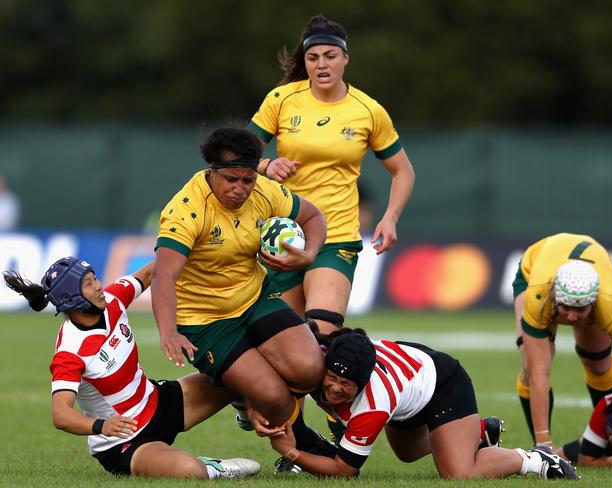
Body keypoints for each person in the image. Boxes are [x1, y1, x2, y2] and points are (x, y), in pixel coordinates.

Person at [150, 127, 335, 469]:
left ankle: (247, 394)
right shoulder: (187, 210)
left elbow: (312, 216)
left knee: (311, 369)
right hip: (205, 322)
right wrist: (168, 331)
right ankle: (299, 443)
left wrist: (310, 253)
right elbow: (164, 275)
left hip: (255, 299)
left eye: (247, 180)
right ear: (212, 172)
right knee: (273, 397)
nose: (240, 190)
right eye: (231, 180)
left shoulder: (264, 191)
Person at [2, 256, 260, 479]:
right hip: (125, 440)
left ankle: (244, 414)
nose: (99, 285)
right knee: (191, 471)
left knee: (238, 374)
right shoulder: (70, 353)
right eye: (89, 283)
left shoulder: (113, 300)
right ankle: (213, 468)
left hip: (157, 400)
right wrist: (101, 426)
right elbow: (60, 415)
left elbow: (150, 272)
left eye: (95, 277)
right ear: (72, 299)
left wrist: (185, 250)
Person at [247, 15, 415, 335]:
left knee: (322, 333)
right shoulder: (282, 100)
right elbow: (241, 154)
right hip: (284, 237)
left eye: (330, 56)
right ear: (306, 62)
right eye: (313, 58)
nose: (321, 64)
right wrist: (267, 166)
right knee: (285, 348)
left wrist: (391, 217)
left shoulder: (367, 110)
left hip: (335, 237)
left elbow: (403, 171)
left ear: (345, 58)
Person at [252, 327, 578, 480]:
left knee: (458, 474)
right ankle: (479, 434)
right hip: (411, 386)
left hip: (444, 386)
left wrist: (292, 453)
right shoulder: (318, 360)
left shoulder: (373, 403)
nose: (335, 389)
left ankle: (535, 460)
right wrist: (254, 406)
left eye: (347, 385)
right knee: (407, 455)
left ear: (364, 382)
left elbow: (344, 470)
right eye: (332, 378)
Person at [513, 232, 612, 450]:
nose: (571, 317)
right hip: (533, 270)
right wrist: (544, 444)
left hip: (592, 265)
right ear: (555, 295)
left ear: (593, 303)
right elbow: (540, 374)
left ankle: (608, 438)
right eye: (565, 307)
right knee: (531, 369)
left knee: (599, 366)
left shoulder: (611, 304)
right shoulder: (539, 295)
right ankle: (541, 449)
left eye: (580, 309)